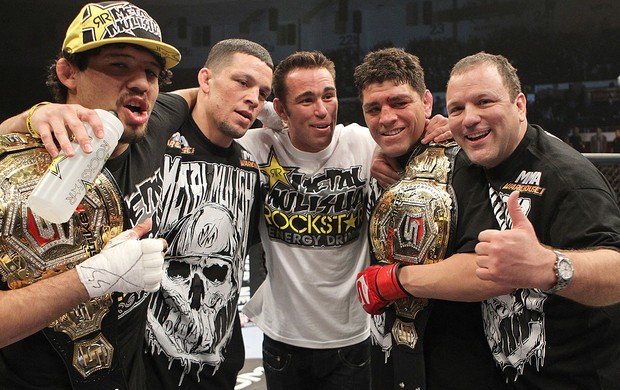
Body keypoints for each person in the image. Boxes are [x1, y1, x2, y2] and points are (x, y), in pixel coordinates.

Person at [360, 51, 620, 389]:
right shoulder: (474, 160)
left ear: (520, 105)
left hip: (578, 377)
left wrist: (552, 266)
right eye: (456, 109)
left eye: (484, 102)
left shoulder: (566, 175)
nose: (469, 119)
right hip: (509, 373)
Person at [0, 2, 182, 389]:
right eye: (119, 65)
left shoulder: (149, 133)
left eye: (152, 73)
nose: (141, 83)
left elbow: (211, 91)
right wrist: (93, 278)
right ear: (68, 72)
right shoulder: (11, 168)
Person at [353, 47, 506, 390]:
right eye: (373, 109)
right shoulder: (372, 163)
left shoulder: (467, 164)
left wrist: (392, 281)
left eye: (399, 103)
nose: (386, 117)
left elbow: (487, 269)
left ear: (425, 102)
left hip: (458, 362)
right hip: (388, 357)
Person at [237, 50, 377, 390]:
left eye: (328, 96)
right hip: (282, 339)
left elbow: (416, 130)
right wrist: (270, 115)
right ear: (281, 108)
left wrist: (441, 124)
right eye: (306, 100)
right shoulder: (256, 147)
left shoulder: (363, 143)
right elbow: (207, 117)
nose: (322, 110)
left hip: (352, 337)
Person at [143, 38, 272, 389]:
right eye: (242, 82)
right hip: (141, 369)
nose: (253, 99)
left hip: (219, 370)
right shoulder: (151, 144)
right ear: (205, 79)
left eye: (262, 93)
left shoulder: (253, 171)